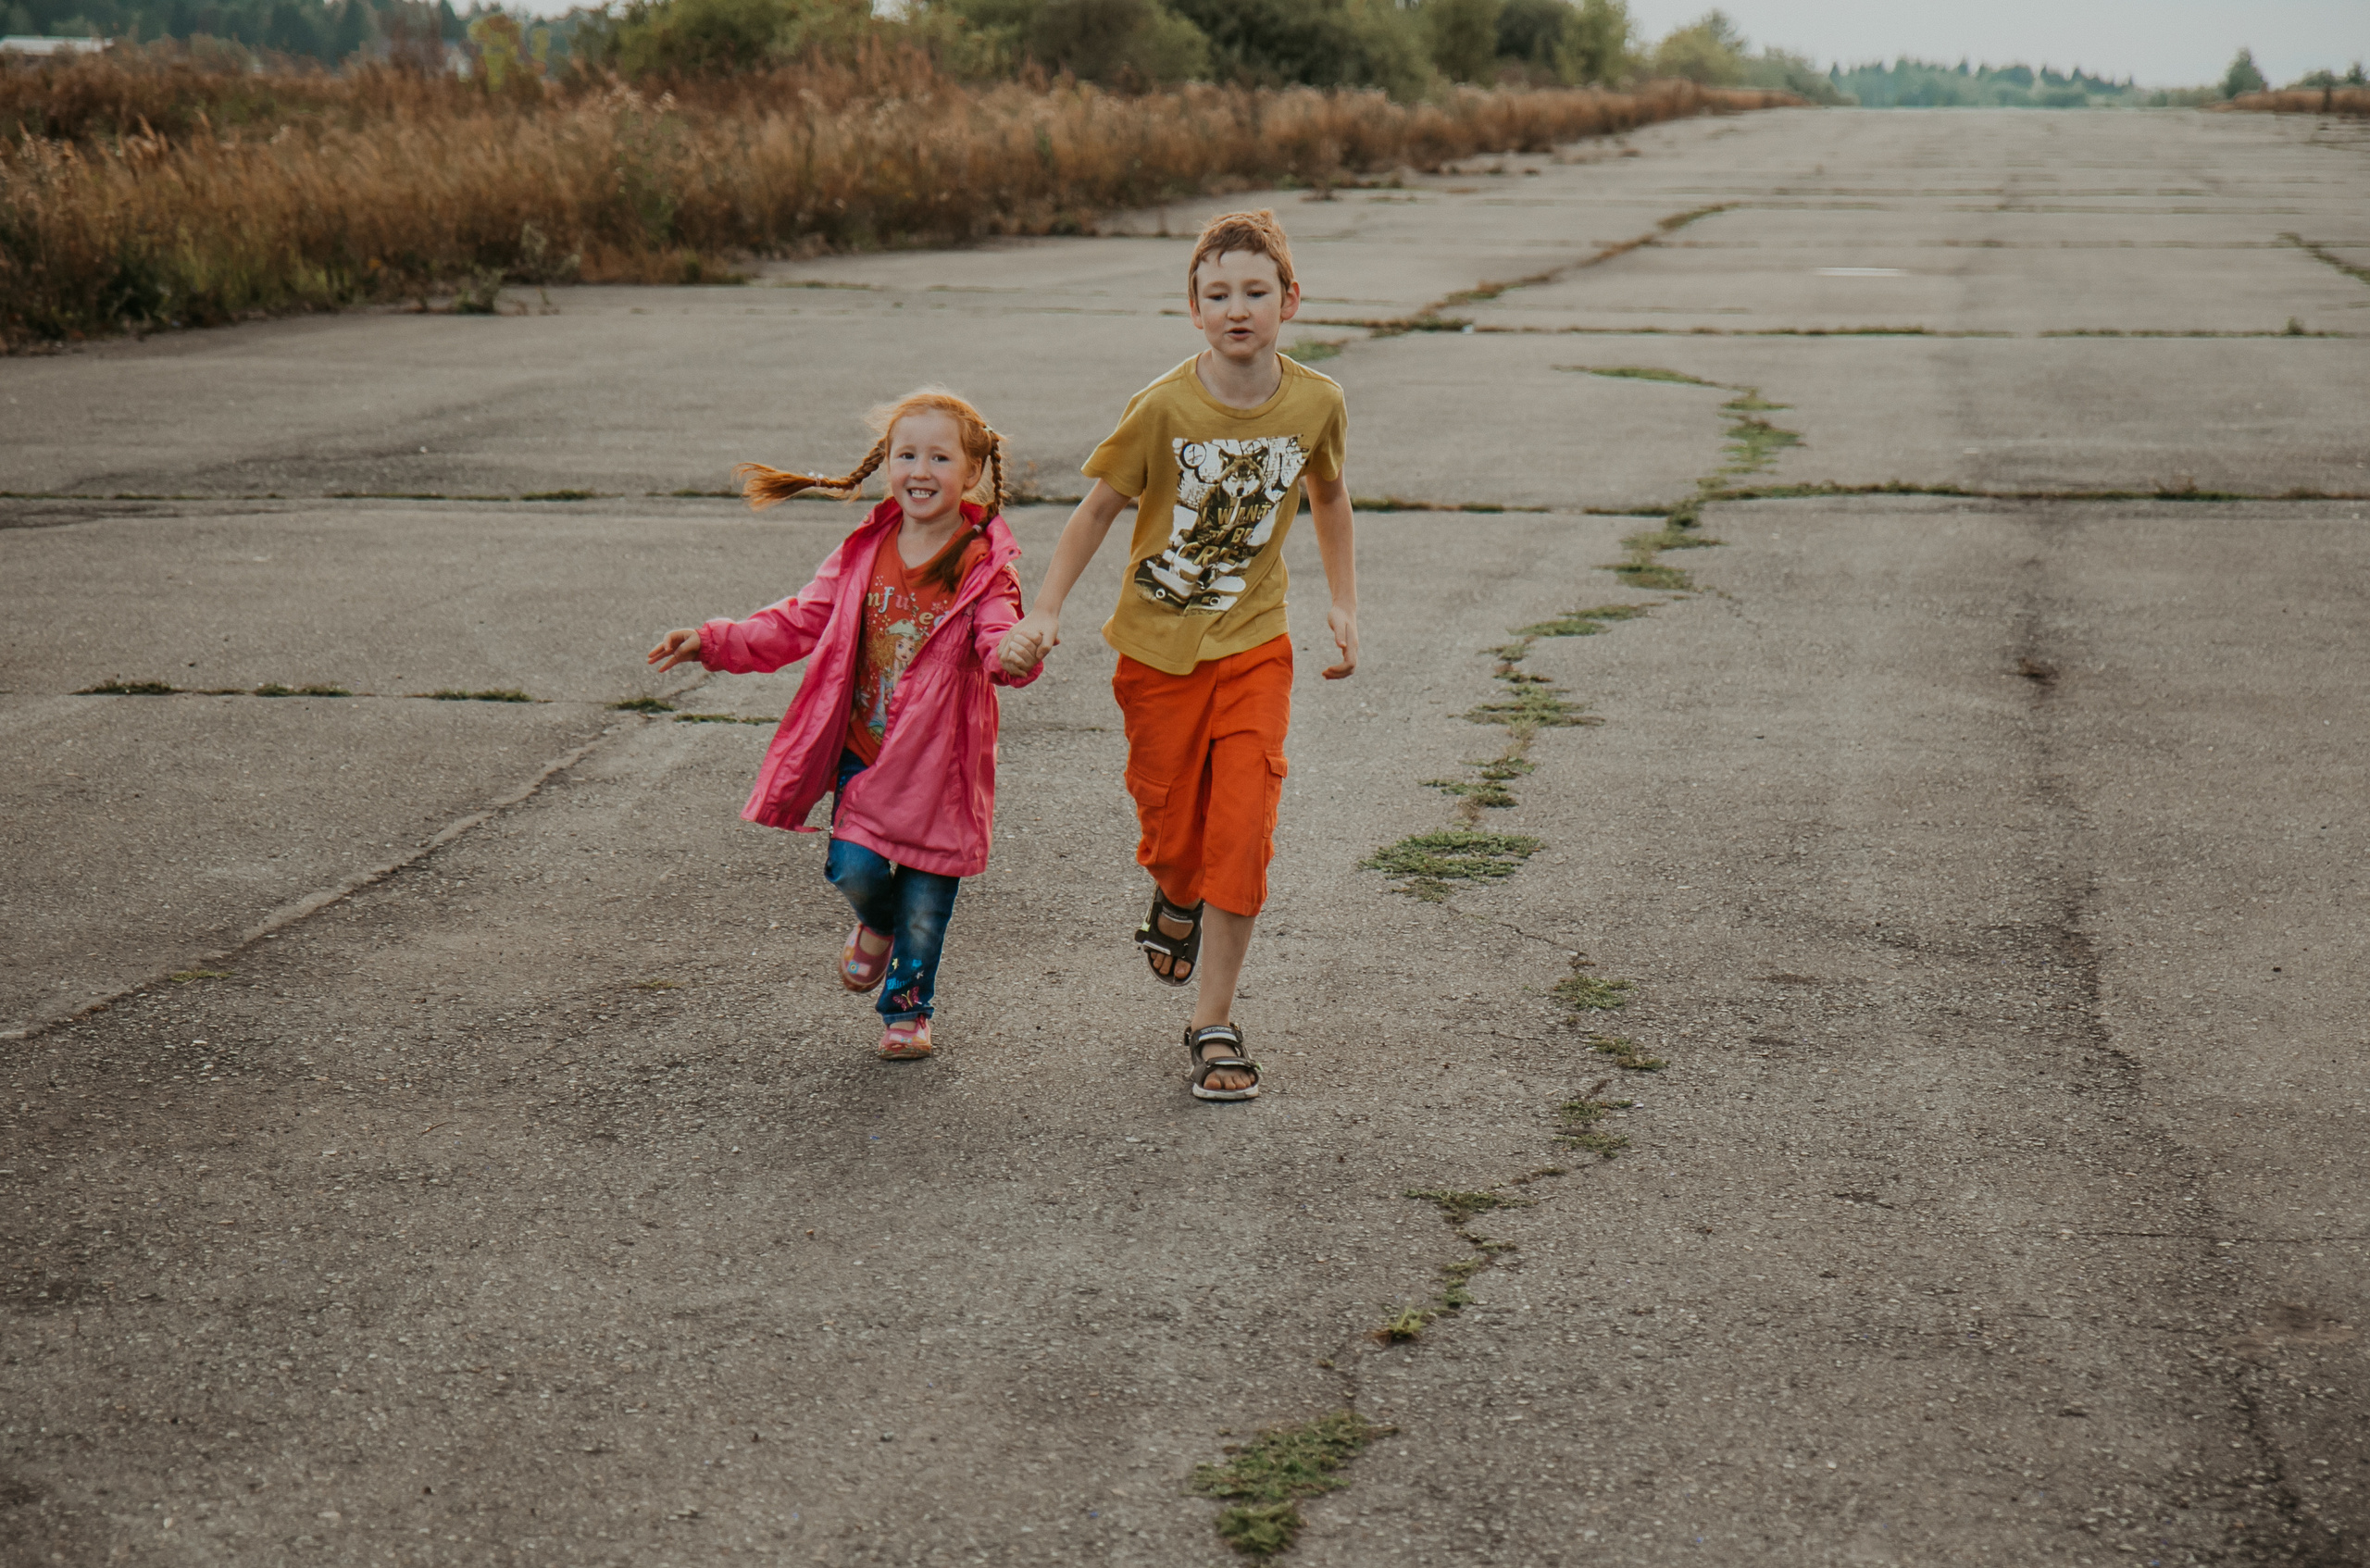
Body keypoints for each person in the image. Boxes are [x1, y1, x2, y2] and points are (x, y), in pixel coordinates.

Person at [997, 209, 1357, 1102]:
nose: (1238, 308)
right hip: (1156, 655)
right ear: (1193, 309)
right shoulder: (1163, 406)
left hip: (1254, 648)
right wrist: (1045, 609)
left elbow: (1330, 496)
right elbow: (1094, 514)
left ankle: (1215, 1022)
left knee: (1242, 826)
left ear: (1290, 301)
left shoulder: (1316, 402)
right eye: (1218, 293)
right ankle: (1174, 893)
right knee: (1172, 831)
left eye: (1256, 292)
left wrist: (1343, 604)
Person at [648, 391, 1041, 1061]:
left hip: (939, 769)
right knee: (853, 868)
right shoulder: (866, 549)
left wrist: (1013, 654)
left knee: (926, 902)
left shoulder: (983, 568)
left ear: (971, 473)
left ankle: (908, 1011)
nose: (920, 469)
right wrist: (716, 640)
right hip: (866, 750)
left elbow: (999, 641)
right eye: (905, 454)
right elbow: (799, 619)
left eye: (939, 457)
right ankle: (874, 926)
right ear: (885, 463)